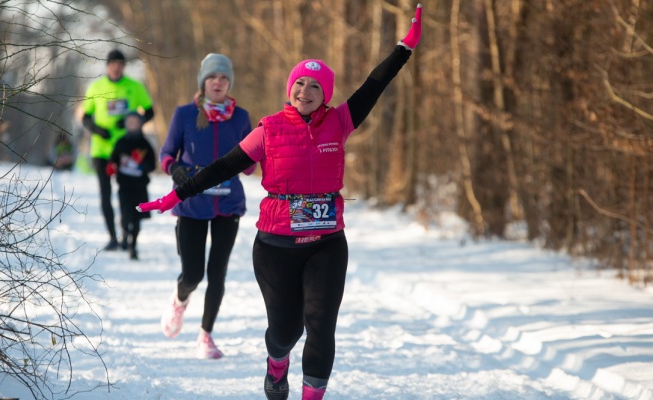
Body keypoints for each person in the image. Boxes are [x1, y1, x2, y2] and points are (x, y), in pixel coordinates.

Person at [138, 5, 422, 399]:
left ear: (326, 95)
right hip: (276, 246)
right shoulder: (268, 130)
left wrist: (403, 49)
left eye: (315, 87)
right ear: (290, 88)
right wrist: (174, 195)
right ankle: (276, 364)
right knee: (286, 331)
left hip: (326, 242)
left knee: (321, 325)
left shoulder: (340, 122)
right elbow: (223, 167)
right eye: (299, 84)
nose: (305, 92)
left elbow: (375, 84)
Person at [157, 53, 254, 359]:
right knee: (193, 274)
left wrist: (256, 157)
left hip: (228, 204)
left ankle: (205, 336)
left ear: (230, 83)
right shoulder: (185, 114)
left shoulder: (241, 118)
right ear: (203, 81)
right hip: (192, 202)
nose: (218, 83)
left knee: (218, 273)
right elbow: (167, 153)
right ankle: (179, 301)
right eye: (213, 77)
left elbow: (251, 163)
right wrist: (175, 169)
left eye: (224, 78)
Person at [82, 49, 155, 251]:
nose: (116, 67)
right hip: (102, 150)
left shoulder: (134, 87)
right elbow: (85, 117)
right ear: (107, 66)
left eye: (120, 63)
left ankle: (128, 233)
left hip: (127, 151)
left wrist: (133, 123)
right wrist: (97, 129)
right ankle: (113, 236)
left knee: (128, 193)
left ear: (124, 66)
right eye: (113, 63)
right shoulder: (96, 87)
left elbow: (149, 112)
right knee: (105, 193)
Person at [106, 112, 156, 260]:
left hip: (140, 187)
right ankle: (125, 234)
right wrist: (112, 167)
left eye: (135, 122)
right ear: (126, 124)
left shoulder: (145, 144)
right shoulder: (121, 142)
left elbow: (152, 165)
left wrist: (142, 163)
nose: (132, 124)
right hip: (124, 186)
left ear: (141, 124)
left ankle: (133, 246)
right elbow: (113, 160)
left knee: (137, 218)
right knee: (125, 215)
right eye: (130, 122)